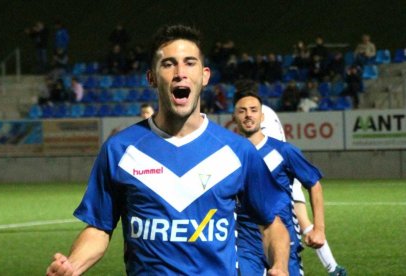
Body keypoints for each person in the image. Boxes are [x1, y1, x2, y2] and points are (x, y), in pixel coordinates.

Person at [46, 24, 290, 276]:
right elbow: (98, 229)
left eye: (190, 63)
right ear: (151, 77)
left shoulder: (238, 151)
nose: (180, 73)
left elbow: (272, 225)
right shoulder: (120, 150)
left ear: (205, 76)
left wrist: (280, 267)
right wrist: (72, 266)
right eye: (168, 64)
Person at [234, 80, 346, 276]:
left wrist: (319, 229)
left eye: (253, 110)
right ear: (234, 116)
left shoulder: (284, 151)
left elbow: (314, 183)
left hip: (284, 238)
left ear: (262, 115)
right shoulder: (229, 154)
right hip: (246, 243)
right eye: (242, 111)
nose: (248, 115)